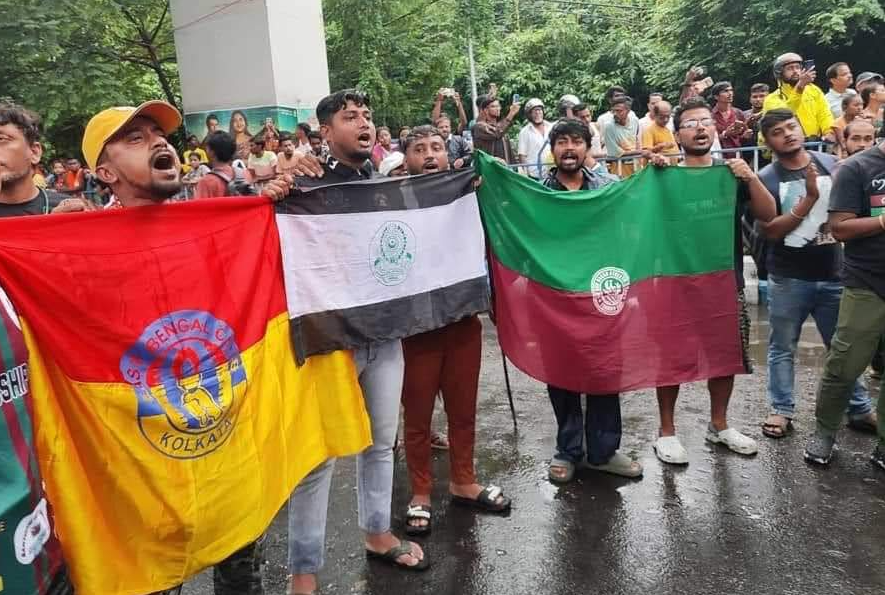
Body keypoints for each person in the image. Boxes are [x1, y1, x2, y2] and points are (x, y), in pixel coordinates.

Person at [82, 100, 289, 594]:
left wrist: (280, 200)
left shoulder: (216, 226)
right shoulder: (79, 250)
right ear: (104, 172)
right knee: (155, 580)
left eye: (159, 134)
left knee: (243, 574)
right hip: (142, 466)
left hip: (225, 448)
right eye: (134, 138)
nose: (158, 142)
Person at [287, 89, 428, 595]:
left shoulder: (385, 186)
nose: (363, 123)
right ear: (325, 132)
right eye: (350, 117)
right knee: (318, 457)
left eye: (367, 116)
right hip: (331, 343)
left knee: (380, 442)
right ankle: (303, 571)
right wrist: (279, 183)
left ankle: (377, 532)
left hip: (384, 337)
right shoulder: (303, 185)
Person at [650, 96, 777, 465]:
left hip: (724, 281)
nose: (700, 128)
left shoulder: (731, 175)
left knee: (724, 356)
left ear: (716, 128)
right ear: (677, 135)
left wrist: (751, 176)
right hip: (674, 282)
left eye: (705, 121)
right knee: (671, 358)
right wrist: (655, 170)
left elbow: (768, 215)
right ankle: (666, 432)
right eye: (690, 123)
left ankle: (719, 425)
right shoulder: (665, 177)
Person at [400, 125, 511, 537]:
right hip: (416, 327)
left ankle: (464, 480)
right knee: (418, 416)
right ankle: (420, 492)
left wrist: (488, 184)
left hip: (463, 321)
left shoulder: (469, 192)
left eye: (436, 148)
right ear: (405, 159)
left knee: (463, 410)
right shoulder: (389, 200)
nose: (429, 155)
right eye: (418, 149)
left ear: (448, 155)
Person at [754, 108, 874, 439]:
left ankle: (860, 407)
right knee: (782, 346)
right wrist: (809, 197)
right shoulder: (766, 178)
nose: (788, 133)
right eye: (778, 131)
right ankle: (781, 409)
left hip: (835, 273)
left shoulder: (833, 165)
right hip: (789, 277)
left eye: (791, 126)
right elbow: (772, 232)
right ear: (768, 141)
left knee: (843, 348)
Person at [535, 119, 641, 484]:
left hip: (603, 291)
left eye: (576, 142)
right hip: (555, 297)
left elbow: (631, 230)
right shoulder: (536, 193)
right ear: (552, 149)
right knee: (561, 374)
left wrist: (657, 175)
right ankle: (568, 450)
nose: (569, 148)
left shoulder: (609, 188)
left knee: (605, 369)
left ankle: (603, 451)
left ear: (588, 148)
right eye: (561, 141)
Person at [804, 137, 885, 470]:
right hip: (867, 282)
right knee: (846, 364)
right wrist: (882, 221)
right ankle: (825, 432)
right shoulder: (858, 167)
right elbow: (839, 228)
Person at [763, 53, 834, 142]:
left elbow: (824, 114)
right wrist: (800, 87)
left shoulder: (814, 90)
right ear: (779, 73)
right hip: (787, 146)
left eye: (797, 67)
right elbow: (785, 115)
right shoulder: (771, 99)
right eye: (790, 68)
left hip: (815, 144)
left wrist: (829, 132)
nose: (795, 71)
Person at [196, 130, 255, 198]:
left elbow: (200, 207)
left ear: (211, 152)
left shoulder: (205, 182)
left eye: (207, 148)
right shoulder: (246, 174)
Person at [471, 94, 520, 163]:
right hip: (490, 170)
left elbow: (508, 151)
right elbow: (497, 133)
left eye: (498, 106)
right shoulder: (479, 127)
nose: (498, 109)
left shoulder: (501, 126)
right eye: (493, 106)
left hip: (506, 169)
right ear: (485, 110)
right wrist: (511, 113)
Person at [602, 95, 641, 177]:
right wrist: (640, 152)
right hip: (619, 171)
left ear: (628, 111)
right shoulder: (609, 127)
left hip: (636, 168)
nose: (615, 114)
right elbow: (617, 153)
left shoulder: (635, 121)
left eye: (619, 111)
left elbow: (637, 140)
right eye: (613, 111)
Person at [711, 81, 750, 158]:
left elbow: (742, 138)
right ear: (716, 96)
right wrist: (725, 134)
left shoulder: (738, 113)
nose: (730, 93)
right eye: (725, 91)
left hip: (737, 156)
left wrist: (746, 135)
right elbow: (708, 140)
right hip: (718, 156)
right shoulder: (710, 115)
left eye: (731, 90)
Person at [517, 98, 553, 179]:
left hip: (552, 172)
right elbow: (522, 155)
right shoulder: (525, 132)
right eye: (534, 111)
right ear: (529, 114)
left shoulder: (551, 127)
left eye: (539, 110)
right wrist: (525, 174)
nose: (537, 113)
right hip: (534, 175)